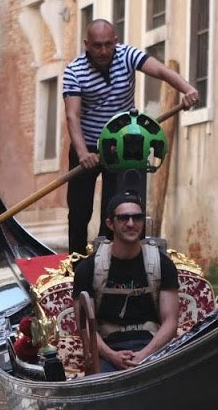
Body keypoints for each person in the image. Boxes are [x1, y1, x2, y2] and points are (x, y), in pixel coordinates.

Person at [62, 19, 199, 253]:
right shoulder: (74, 71)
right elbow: (72, 116)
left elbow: (163, 71)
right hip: (86, 147)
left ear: (115, 42)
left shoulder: (127, 55)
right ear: (87, 44)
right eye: (97, 46)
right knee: (79, 211)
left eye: (108, 44)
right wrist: (84, 153)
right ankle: (75, 265)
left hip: (120, 148)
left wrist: (187, 90)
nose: (103, 51)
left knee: (117, 208)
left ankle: (113, 261)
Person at [71, 193, 180, 372]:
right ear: (110, 223)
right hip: (107, 349)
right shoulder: (87, 269)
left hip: (151, 345)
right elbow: (85, 329)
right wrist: (112, 356)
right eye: (123, 218)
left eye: (137, 218)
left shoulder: (162, 264)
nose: (131, 224)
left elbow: (170, 322)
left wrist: (144, 354)